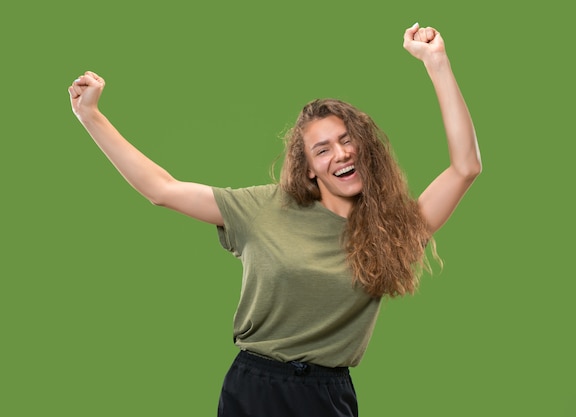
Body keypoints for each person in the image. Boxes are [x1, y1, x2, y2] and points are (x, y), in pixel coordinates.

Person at [68, 22, 481, 417]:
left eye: (346, 140)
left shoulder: (392, 229)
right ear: (308, 170)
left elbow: (465, 167)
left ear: (365, 147)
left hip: (329, 396)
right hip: (256, 389)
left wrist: (437, 62)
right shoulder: (263, 208)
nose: (340, 154)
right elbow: (162, 189)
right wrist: (92, 117)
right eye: (322, 150)